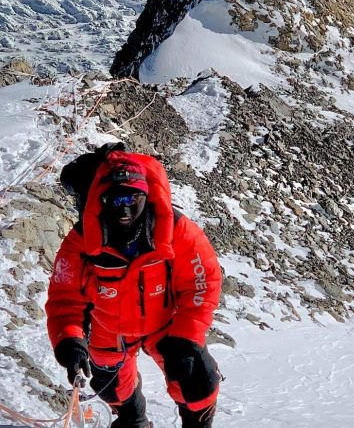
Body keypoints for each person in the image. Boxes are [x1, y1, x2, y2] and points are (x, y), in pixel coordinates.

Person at [46, 147, 222, 428]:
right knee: (113, 388)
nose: (124, 208)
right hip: (108, 330)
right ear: (101, 200)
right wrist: (69, 341)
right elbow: (64, 298)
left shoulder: (175, 229)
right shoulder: (82, 240)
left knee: (198, 379)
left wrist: (187, 338)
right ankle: (133, 422)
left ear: (146, 195)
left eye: (132, 197)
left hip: (166, 325)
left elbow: (203, 284)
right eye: (114, 200)